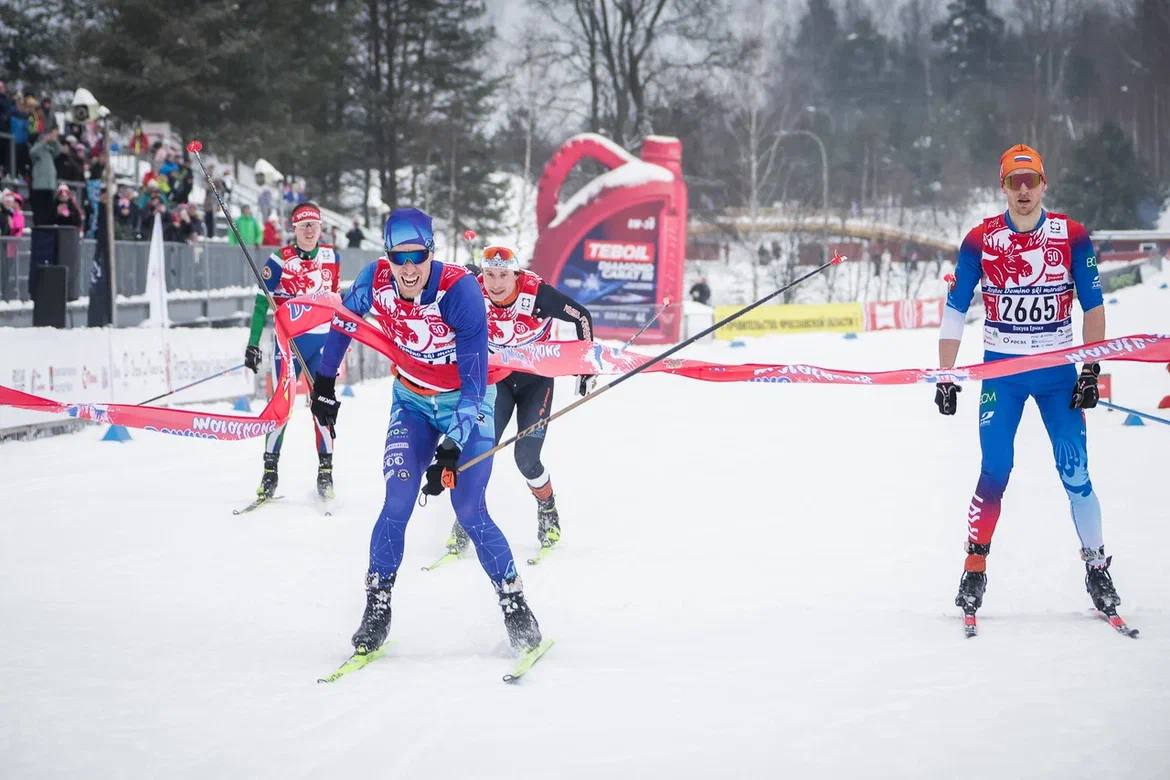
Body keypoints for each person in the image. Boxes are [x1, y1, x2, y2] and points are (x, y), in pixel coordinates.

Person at [309, 208, 542, 657]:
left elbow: (475, 382)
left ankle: (514, 602)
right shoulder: (375, 279)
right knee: (397, 498)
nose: (409, 268)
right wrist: (323, 383)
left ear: (432, 253)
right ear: (388, 256)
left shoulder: (459, 291)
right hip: (412, 401)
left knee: (468, 507)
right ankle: (377, 605)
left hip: (466, 401)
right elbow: (343, 322)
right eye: (400, 257)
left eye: (419, 256)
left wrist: (452, 447)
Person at [937, 143, 1117, 627]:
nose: (1022, 191)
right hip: (1003, 374)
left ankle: (1097, 566)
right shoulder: (981, 239)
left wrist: (1090, 370)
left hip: (1058, 375)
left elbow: (1094, 307)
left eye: (1030, 181)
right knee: (995, 468)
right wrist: (948, 374)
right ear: (1002, 186)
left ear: (1044, 184)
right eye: (1013, 182)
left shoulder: (1070, 235)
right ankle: (975, 566)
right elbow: (955, 309)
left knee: (1075, 471)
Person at [445, 244, 594, 558]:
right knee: (480, 451)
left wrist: (585, 367)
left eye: (503, 275)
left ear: (515, 274)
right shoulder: (472, 287)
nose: (495, 283)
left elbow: (581, 316)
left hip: (535, 382)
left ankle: (547, 510)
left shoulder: (536, 295)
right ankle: (465, 519)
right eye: (489, 275)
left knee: (526, 459)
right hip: (496, 381)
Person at [243, 202, 341, 500]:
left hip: (321, 345)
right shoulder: (280, 259)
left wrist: (339, 341)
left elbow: (335, 301)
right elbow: (262, 302)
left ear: (321, 227)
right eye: (303, 226)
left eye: (314, 225)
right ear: (294, 229)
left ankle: (326, 473)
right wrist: (253, 343)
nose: (309, 231)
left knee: (323, 405)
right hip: (288, 344)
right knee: (280, 407)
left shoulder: (331, 257)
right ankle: (269, 472)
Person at [29, 127, 61, 225]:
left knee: (49, 208)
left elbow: (58, 151)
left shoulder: (49, 150)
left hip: (50, 185)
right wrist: (44, 141)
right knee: (40, 209)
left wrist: (54, 140)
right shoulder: (37, 149)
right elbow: (32, 152)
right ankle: (39, 225)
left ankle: (48, 225)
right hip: (39, 186)